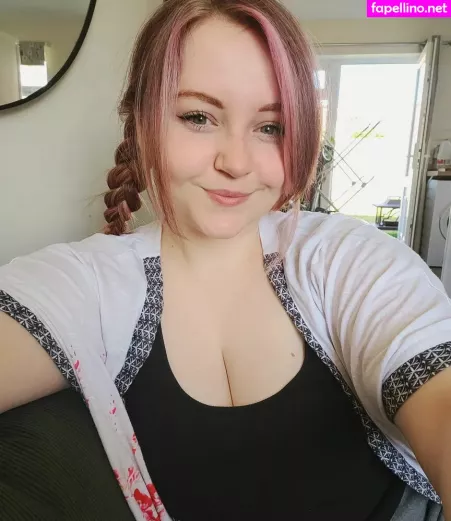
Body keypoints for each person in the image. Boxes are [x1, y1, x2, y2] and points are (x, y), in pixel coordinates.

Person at [0, 0, 450, 520]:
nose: (236, 162)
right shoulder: (89, 281)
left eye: (270, 127)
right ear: (141, 122)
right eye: (198, 117)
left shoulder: (349, 259)